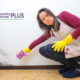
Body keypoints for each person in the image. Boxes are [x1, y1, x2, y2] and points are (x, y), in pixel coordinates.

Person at [16, 8, 80, 78]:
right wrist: (26, 50)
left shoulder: (63, 16)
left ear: (51, 14)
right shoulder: (51, 31)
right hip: (73, 50)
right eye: (43, 19)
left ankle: (78, 69)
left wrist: (66, 40)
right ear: (42, 23)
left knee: (49, 48)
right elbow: (38, 40)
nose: (46, 19)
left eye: (47, 15)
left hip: (78, 48)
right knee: (43, 50)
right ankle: (72, 65)